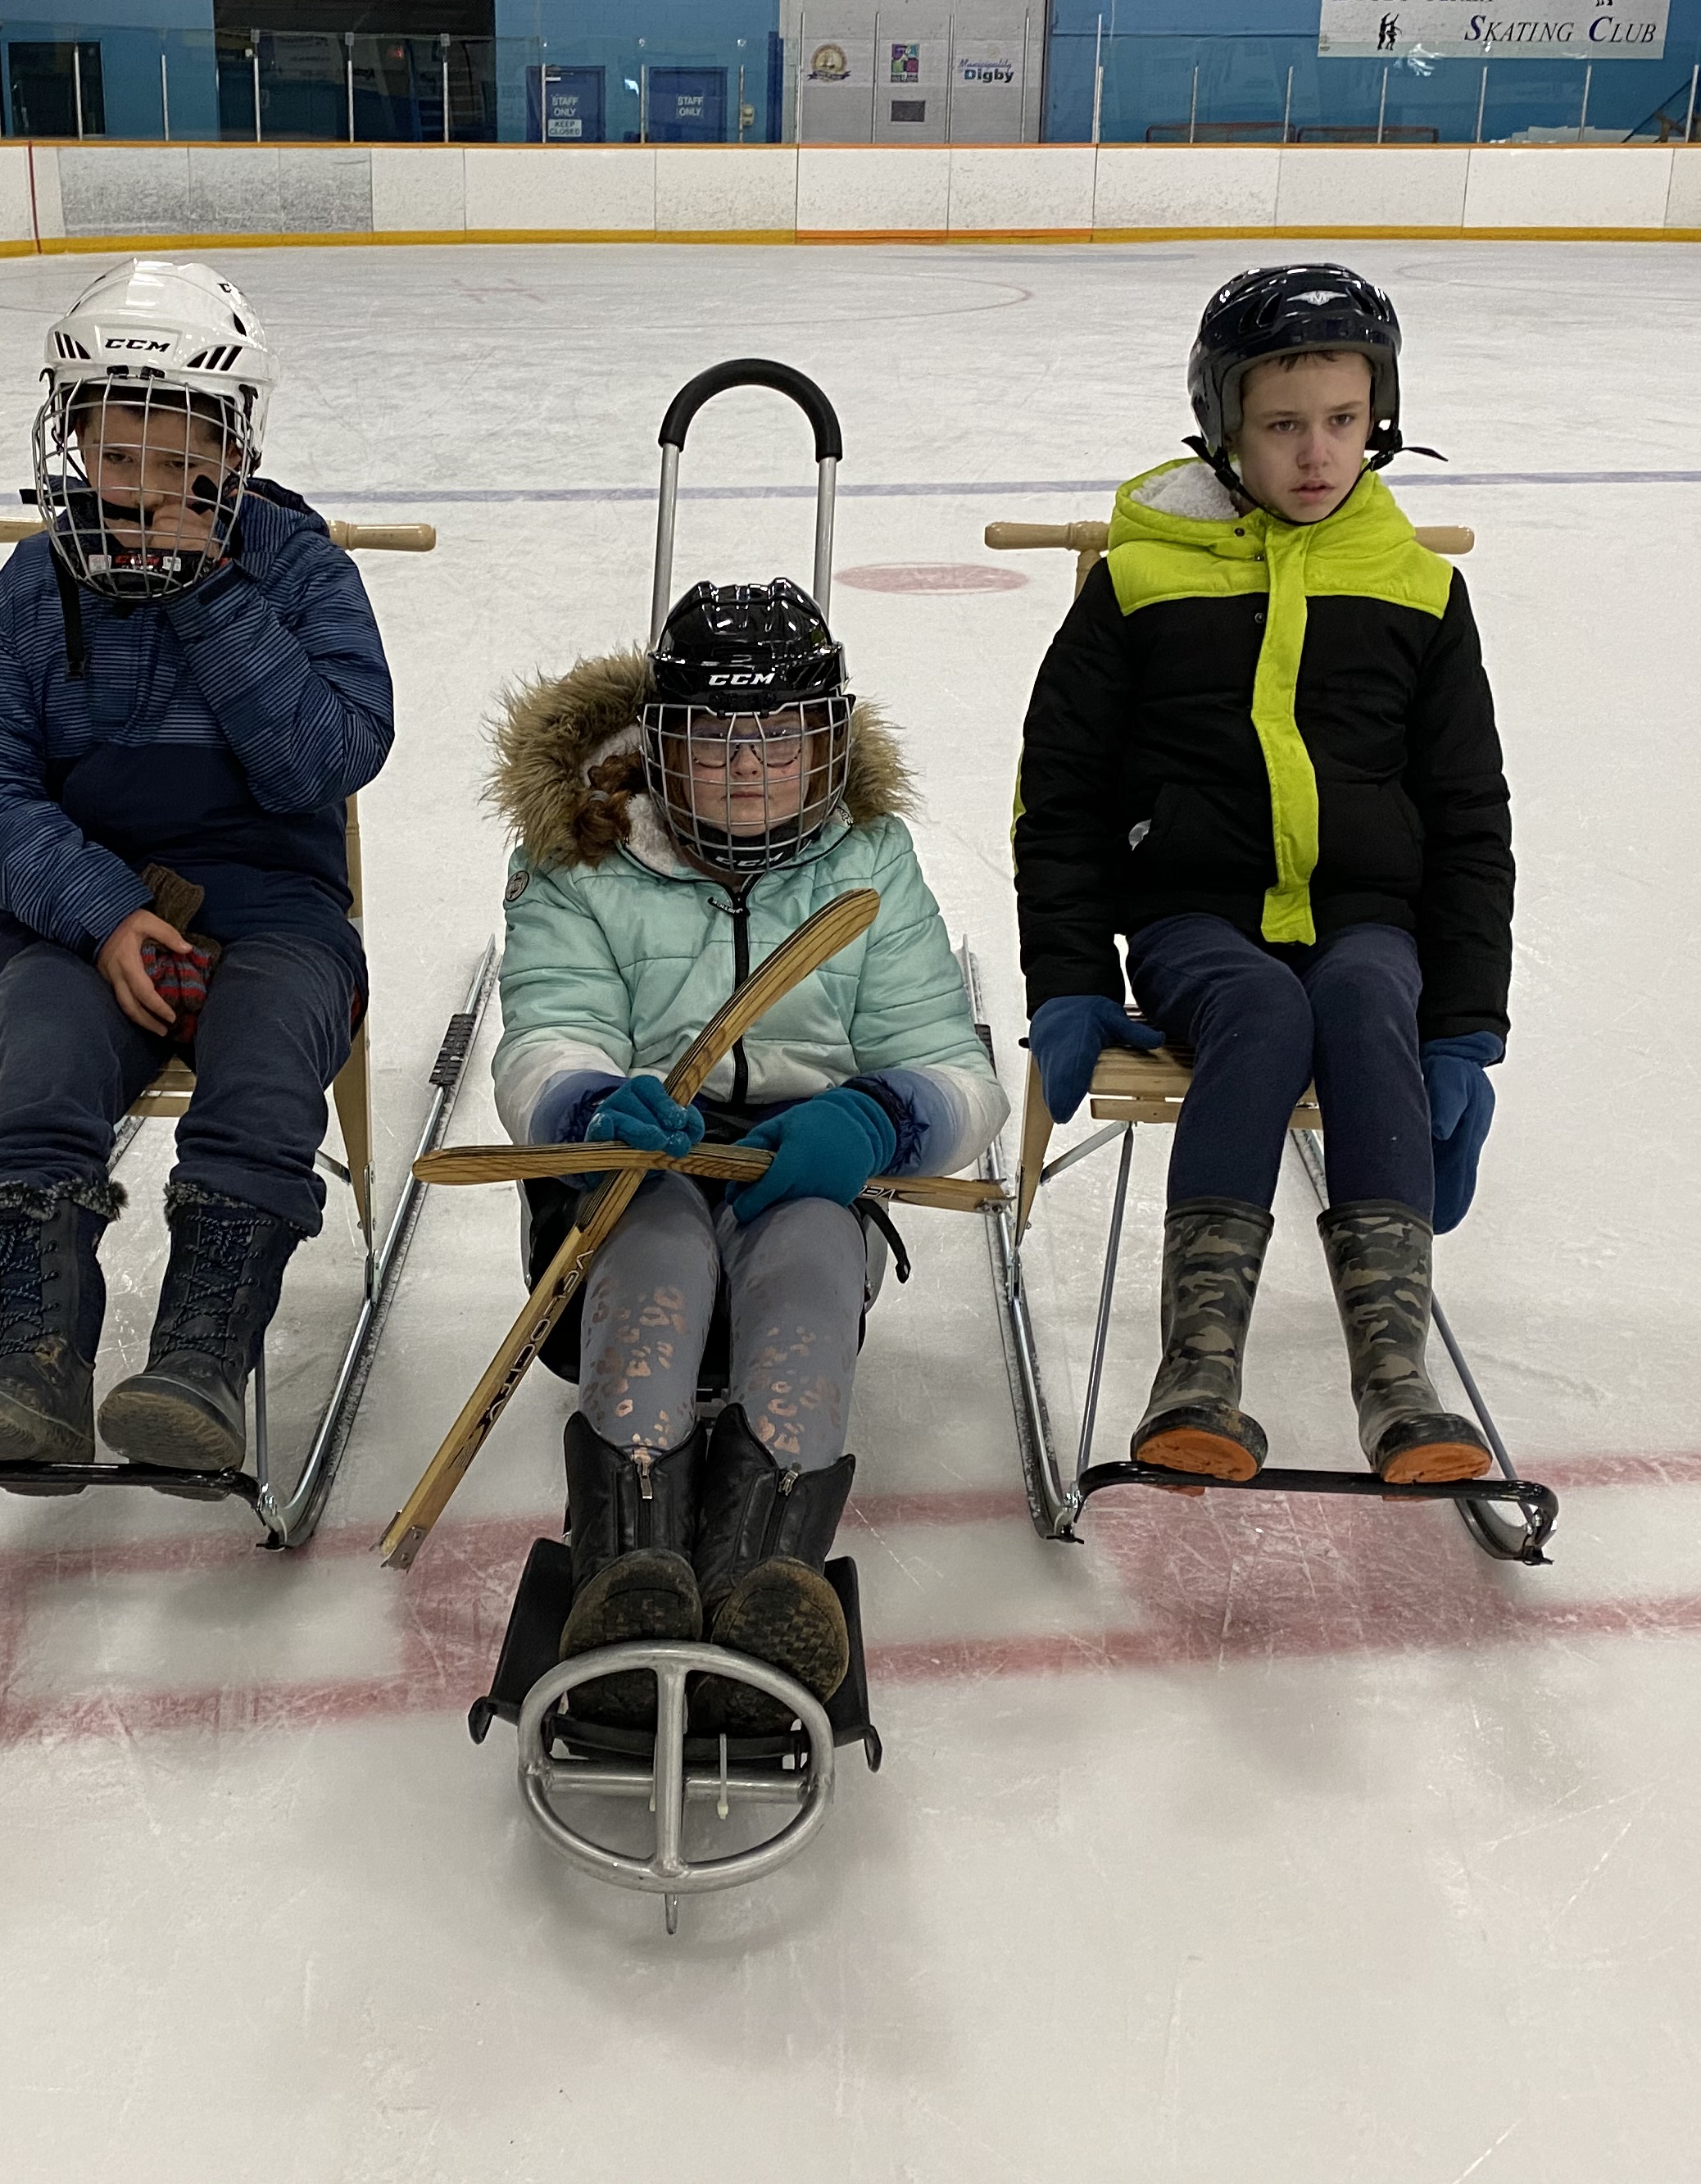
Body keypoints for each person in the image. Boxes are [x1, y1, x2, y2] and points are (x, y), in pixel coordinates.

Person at [1013, 264, 1514, 1487]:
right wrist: (1071, 978)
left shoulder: (1417, 591)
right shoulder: (1141, 581)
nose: (1316, 454)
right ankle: (1197, 1370)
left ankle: (1397, 1381)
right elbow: (1059, 798)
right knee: (1260, 1007)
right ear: (1224, 422)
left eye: (1343, 420)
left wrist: (1461, 1026)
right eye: (1283, 424)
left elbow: (1469, 819)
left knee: (1358, 998)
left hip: (1365, 914)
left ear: (1378, 416)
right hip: (1197, 914)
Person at [0, 259, 392, 1475]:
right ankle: (34, 1361)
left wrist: (213, 602)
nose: (145, 495)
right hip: (88, 916)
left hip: (276, 908)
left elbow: (328, 758)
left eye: (182, 468)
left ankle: (198, 1360)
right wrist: (103, 907)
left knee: (271, 1064)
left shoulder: (299, 572)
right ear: (69, 441)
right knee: (42, 1063)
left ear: (235, 452)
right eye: (119, 462)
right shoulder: (31, 591)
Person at [488, 579, 1005, 1726]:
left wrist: (883, 1116)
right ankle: (628, 1568)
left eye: (780, 732)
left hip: (804, 1158)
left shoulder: (871, 859)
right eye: (715, 732)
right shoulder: (586, 854)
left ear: (828, 738)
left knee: (812, 1279)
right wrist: (586, 1106)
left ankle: (762, 1571)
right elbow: (543, 1029)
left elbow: (959, 1068)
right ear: (658, 739)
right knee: (654, 1263)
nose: (747, 762)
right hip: (643, 1158)